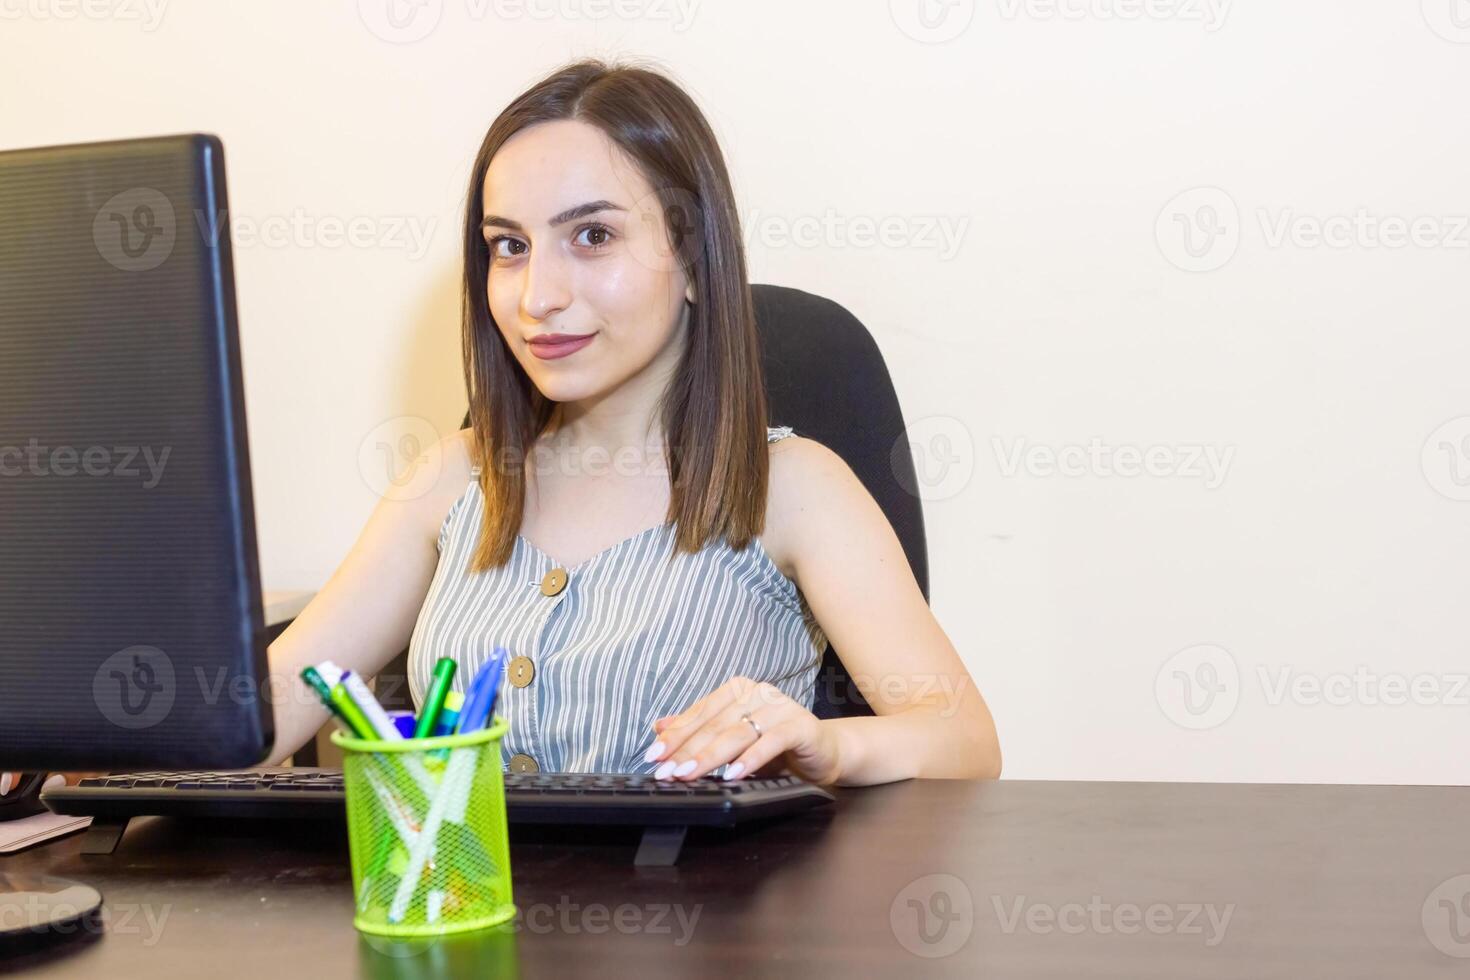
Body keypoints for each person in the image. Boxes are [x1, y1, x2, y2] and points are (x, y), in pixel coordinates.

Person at [260, 57, 1001, 786]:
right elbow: (270, 711)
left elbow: (965, 743)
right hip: (467, 902)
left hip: (701, 908)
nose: (536, 297)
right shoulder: (454, 477)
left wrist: (826, 748)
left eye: (592, 236)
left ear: (691, 255)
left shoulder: (794, 488)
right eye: (509, 247)